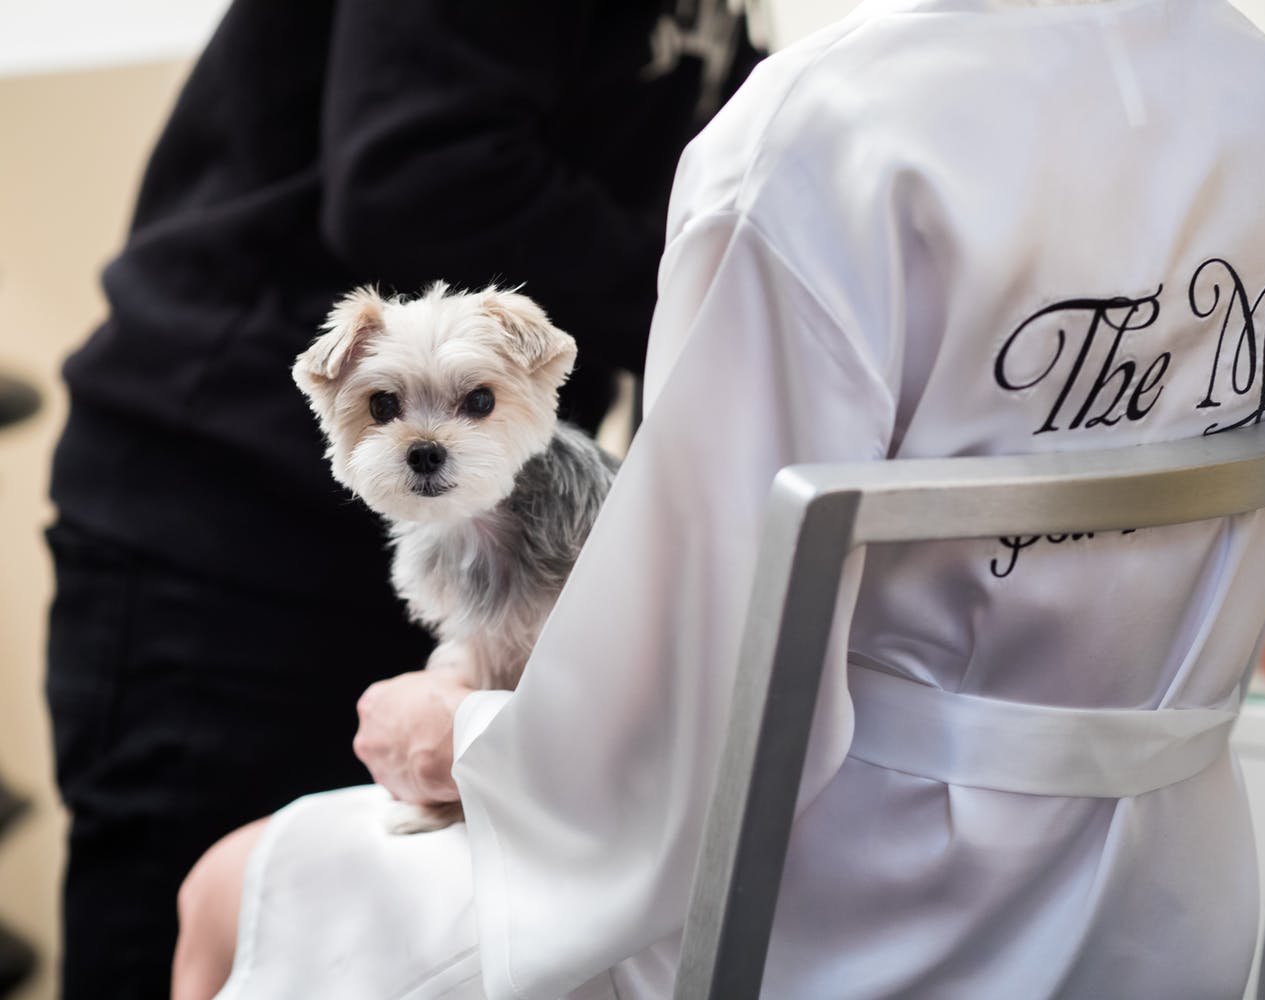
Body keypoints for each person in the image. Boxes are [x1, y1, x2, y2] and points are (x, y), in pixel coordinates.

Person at [179, 0, 1265, 996]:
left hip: (861, 923)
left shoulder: (824, 136)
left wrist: (468, 735)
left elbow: (703, 712)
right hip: (1175, 904)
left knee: (222, 888)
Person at [44, 2, 759, 998]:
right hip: (226, 507)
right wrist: (736, 289)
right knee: (187, 931)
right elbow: (414, 167)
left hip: (490, 546)